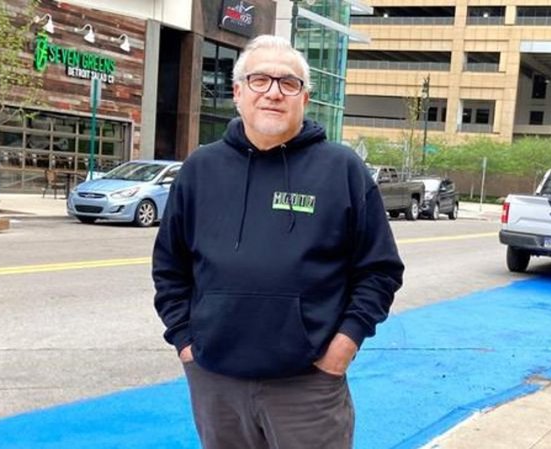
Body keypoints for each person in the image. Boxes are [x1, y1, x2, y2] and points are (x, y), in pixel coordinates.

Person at [152, 35, 404, 449]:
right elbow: (170, 268)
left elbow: (380, 271)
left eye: (288, 83)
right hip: (216, 382)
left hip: (308, 386)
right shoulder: (200, 169)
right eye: (259, 80)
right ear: (237, 92)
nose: (273, 92)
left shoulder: (342, 169)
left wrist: (341, 349)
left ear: (304, 98)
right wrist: (185, 343)